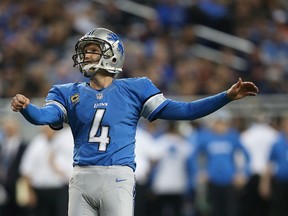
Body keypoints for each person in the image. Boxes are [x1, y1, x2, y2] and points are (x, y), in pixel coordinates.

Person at [10, 27, 259, 216]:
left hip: (117, 177)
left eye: (94, 50)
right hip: (80, 177)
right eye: (86, 50)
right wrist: (27, 108)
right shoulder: (67, 92)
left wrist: (225, 97)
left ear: (113, 54)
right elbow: (44, 117)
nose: (86, 55)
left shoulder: (135, 88)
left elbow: (187, 111)